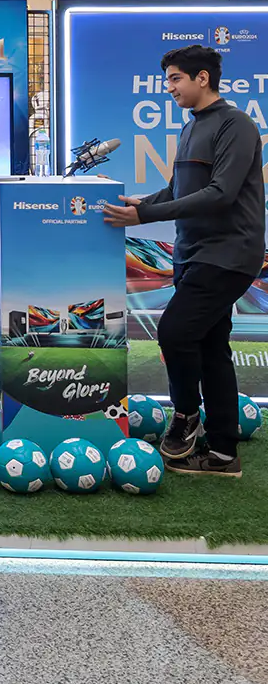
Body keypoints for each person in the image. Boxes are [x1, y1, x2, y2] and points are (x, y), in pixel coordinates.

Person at [104, 44, 266, 478]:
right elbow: (176, 191)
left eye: (175, 79)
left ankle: (187, 415)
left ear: (202, 79)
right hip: (192, 253)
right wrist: (131, 206)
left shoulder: (237, 125)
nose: (169, 88)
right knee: (212, 348)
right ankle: (224, 454)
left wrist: (147, 213)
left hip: (229, 253)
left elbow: (220, 194)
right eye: (167, 80)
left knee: (174, 332)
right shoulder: (190, 128)